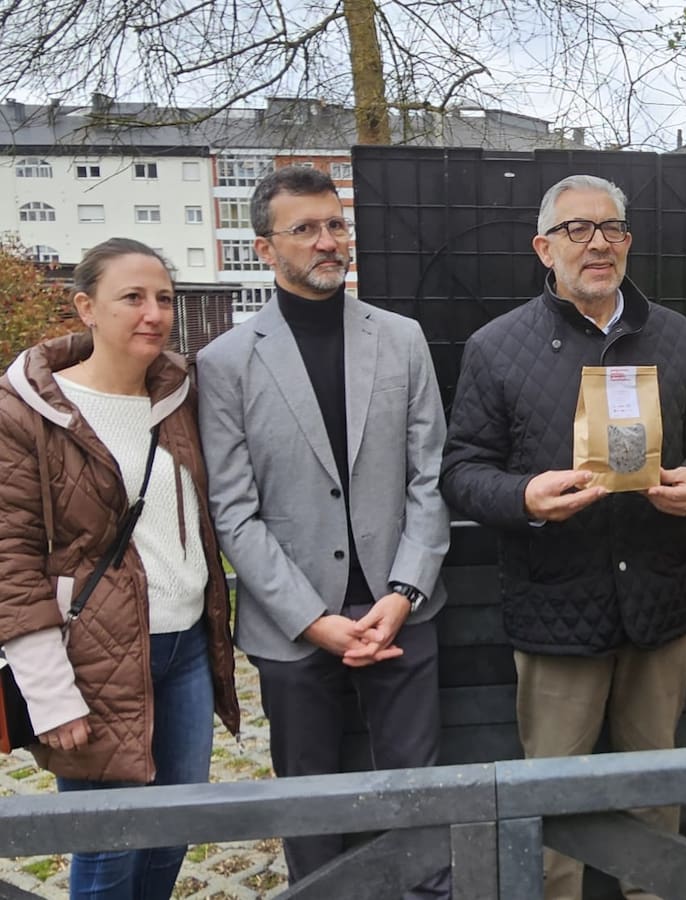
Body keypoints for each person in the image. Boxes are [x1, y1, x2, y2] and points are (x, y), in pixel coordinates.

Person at [440, 173, 686, 900]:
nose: (598, 243)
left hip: (658, 606)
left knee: (653, 795)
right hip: (555, 605)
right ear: (544, 247)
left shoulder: (675, 336)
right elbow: (460, 469)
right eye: (577, 229)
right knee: (552, 802)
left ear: (629, 243)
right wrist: (525, 497)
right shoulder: (495, 346)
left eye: (612, 228)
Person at [196, 166, 451, 895]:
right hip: (291, 621)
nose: (328, 241)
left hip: (401, 609)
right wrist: (313, 620)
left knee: (418, 793)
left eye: (335, 224)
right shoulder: (224, 364)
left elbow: (427, 477)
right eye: (305, 228)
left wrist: (402, 591)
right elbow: (233, 512)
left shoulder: (402, 340)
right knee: (308, 797)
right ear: (263, 249)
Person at [0, 238, 239, 900]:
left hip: (186, 650)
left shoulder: (180, 396)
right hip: (93, 663)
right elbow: (11, 563)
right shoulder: (27, 414)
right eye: (131, 297)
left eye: (163, 298)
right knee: (109, 849)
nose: (153, 313)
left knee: (172, 832)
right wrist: (48, 694)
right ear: (85, 307)